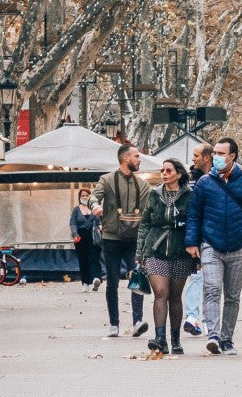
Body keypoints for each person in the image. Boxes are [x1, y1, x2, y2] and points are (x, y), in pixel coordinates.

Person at [185, 137, 242, 356]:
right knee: (212, 289)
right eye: (215, 153)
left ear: (232, 156)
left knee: (232, 295)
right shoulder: (204, 183)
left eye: (220, 153)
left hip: (239, 246)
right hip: (211, 244)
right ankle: (213, 335)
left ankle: (227, 339)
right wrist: (192, 242)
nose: (216, 157)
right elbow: (194, 215)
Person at [90, 143, 151, 337]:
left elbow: (150, 209)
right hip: (111, 238)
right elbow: (94, 196)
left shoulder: (142, 184)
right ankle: (114, 324)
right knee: (112, 281)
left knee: (137, 277)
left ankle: (137, 321)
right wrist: (94, 206)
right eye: (136, 156)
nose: (139, 160)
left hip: (134, 239)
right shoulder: (107, 180)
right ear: (125, 158)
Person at [136, 158, 194, 354]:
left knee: (175, 297)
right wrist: (140, 252)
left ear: (178, 174)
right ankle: (160, 338)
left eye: (169, 170)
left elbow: (195, 222)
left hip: (181, 251)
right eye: (162, 170)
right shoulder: (154, 194)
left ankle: (175, 339)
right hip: (156, 249)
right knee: (161, 293)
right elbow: (145, 224)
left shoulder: (189, 195)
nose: (164, 173)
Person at [182, 142, 214, 336]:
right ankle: (194, 318)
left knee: (211, 281)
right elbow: (190, 212)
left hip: (215, 235)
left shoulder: (220, 179)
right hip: (196, 235)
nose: (193, 159)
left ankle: (204, 319)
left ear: (206, 157)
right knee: (197, 275)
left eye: (196, 155)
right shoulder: (190, 181)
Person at [70, 188, 102, 292]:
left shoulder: (95, 208)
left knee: (94, 258)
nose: (84, 197)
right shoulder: (76, 210)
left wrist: (101, 226)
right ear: (79, 197)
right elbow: (73, 222)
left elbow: (101, 220)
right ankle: (85, 283)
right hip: (80, 236)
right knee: (83, 260)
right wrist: (75, 233)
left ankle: (96, 279)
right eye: (82, 195)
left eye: (86, 195)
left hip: (94, 236)